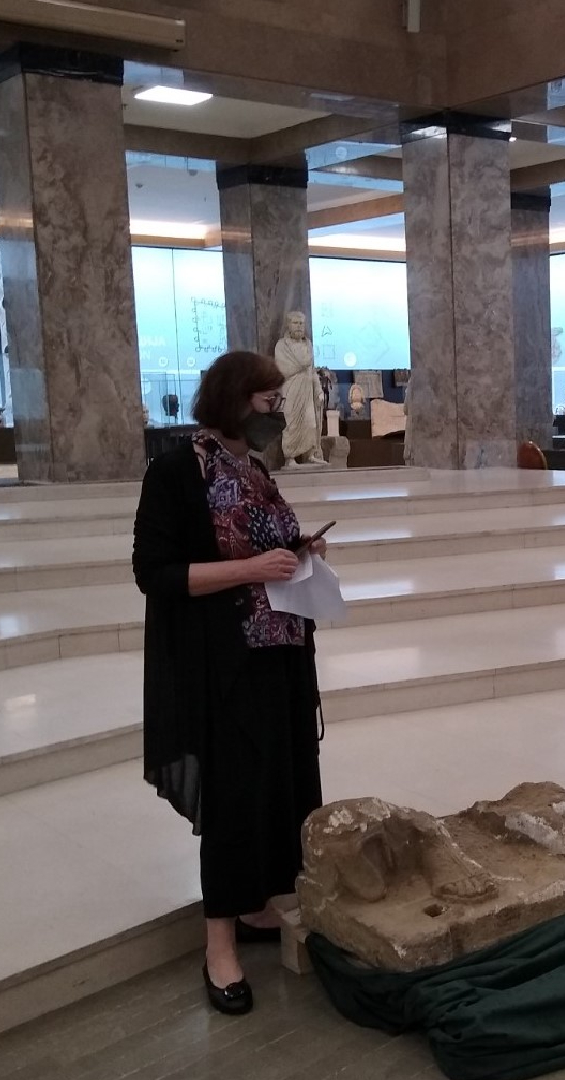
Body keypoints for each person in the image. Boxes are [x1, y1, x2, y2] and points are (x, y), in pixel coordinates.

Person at [133, 351, 327, 1017]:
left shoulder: (256, 469)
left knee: (278, 785)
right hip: (222, 664)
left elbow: (270, 549)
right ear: (236, 399)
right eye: (270, 402)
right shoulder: (176, 471)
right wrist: (252, 570)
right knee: (233, 796)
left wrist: (301, 551)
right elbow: (155, 573)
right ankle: (219, 943)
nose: (278, 413)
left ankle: (256, 906)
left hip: (278, 654)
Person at [274, 311, 326, 466]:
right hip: (291, 390)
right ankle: (290, 458)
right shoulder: (282, 346)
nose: (299, 327)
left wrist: (318, 390)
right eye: (295, 323)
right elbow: (282, 368)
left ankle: (310, 454)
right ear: (288, 325)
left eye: (301, 323)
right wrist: (301, 364)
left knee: (310, 423)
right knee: (292, 424)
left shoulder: (307, 344)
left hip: (307, 391)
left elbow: (312, 370)